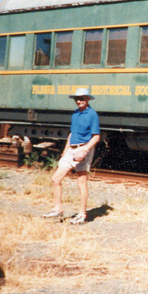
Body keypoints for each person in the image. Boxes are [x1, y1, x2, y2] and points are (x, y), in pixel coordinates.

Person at [42, 87, 100, 224]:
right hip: (71, 150)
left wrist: (84, 150)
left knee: (81, 182)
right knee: (56, 179)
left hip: (83, 149)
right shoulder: (75, 114)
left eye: (81, 98)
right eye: (76, 99)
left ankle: (82, 214)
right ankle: (57, 210)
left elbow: (96, 137)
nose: (78, 101)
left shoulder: (92, 114)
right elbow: (72, 134)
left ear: (87, 99)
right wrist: (65, 151)